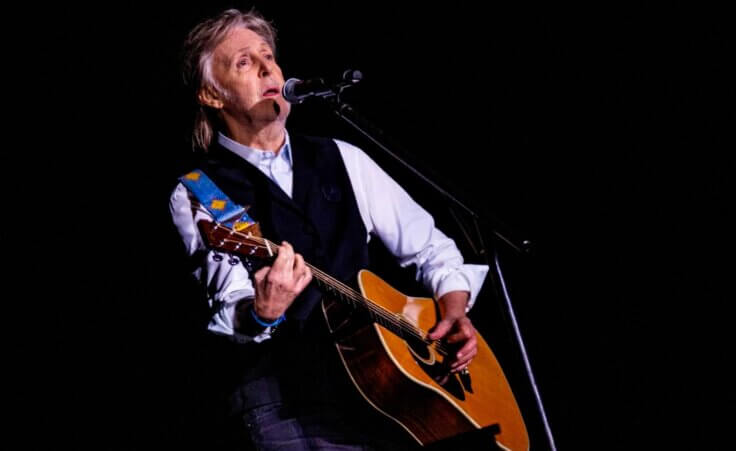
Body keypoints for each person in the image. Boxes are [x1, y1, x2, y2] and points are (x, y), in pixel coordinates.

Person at [170, 8, 490, 450]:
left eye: (269, 56)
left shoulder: (343, 156)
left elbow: (431, 247)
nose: (268, 69)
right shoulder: (200, 191)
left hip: (387, 400)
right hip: (288, 408)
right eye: (244, 62)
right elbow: (229, 303)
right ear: (212, 95)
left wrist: (454, 306)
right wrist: (264, 309)